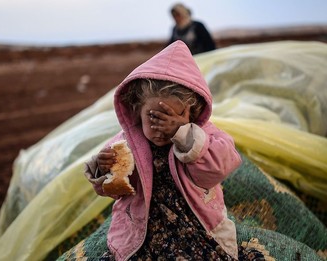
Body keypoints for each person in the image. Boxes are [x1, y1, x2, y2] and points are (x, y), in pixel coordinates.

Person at [84, 40, 264, 260]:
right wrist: (102, 169)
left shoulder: (206, 135)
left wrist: (182, 134)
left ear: (193, 112)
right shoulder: (126, 142)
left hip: (194, 224)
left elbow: (213, 172)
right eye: (154, 118)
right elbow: (117, 189)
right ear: (137, 109)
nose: (163, 128)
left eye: (175, 118)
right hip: (145, 227)